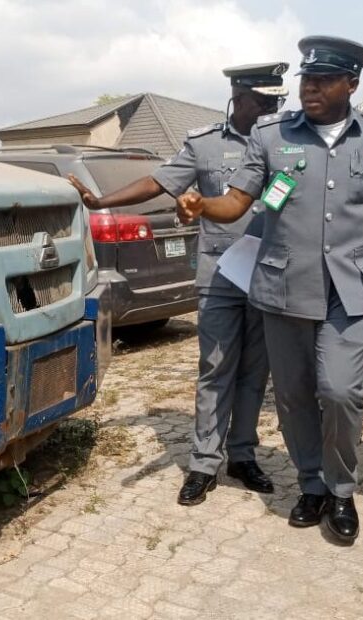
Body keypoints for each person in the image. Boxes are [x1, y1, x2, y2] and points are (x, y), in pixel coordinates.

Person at [177, 36, 363, 544]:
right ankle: (311, 485)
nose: (311, 88)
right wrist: (201, 206)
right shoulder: (271, 134)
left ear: (352, 83)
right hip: (284, 285)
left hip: (350, 291)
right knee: (296, 394)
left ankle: (341, 489)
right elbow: (237, 202)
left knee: (342, 391)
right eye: (307, 79)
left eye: (324, 80)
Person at [68, 63, 289, 506]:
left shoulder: (286, 145)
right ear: (238, 98)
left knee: (255, 372)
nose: (270, 110)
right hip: (221, 275)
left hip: (268, 274)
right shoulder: (206, 144)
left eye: (276, 103)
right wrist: (99, 200)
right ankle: (205, 462)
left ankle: (242, 456)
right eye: (262, 102)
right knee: (216, 368)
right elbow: (157, 182)